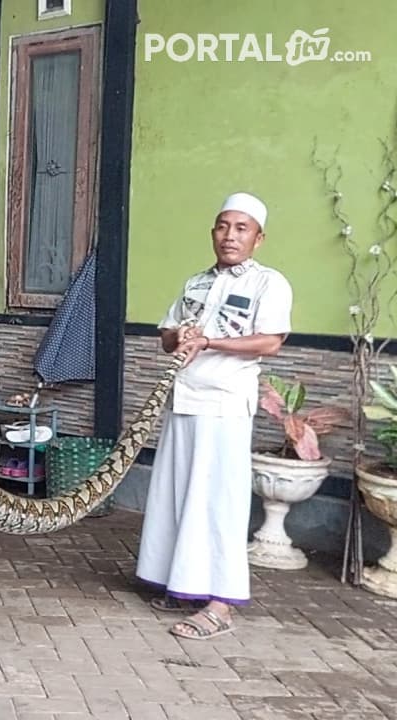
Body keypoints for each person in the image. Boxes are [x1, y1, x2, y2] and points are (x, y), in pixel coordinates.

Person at [135, 191, 292, 641]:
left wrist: (210, 343)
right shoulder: (195, 283)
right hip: (184, 399)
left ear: (258, 239)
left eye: (241, 228)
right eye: (223, 227)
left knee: (218, 501)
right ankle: (179, 585)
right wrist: (178, 335)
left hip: (224, 404)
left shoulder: (268, 283)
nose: (230, 236)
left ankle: (220, 605)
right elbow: (167, 336)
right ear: (213, 233)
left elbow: (270, 342)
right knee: (177, 495)